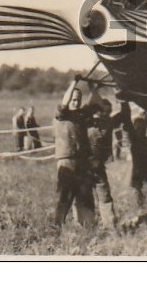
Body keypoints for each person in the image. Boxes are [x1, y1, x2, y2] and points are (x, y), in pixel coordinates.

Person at [53, 82, 96, 227]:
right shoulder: (61, 114)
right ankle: (57, 225)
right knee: (65, 195)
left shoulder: (81, 116)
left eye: (78, 100)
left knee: (85, 194)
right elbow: (65, 102)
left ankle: (87, 226)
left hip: (82, 161)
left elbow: (93, 102)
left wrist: (94, 89)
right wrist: (73, 83)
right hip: (67, 160)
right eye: (73, 99)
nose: (76, 102)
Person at [87, 99, 119, 228]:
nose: (108, 114)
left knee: (104, 195)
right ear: (98, 111)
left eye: (109, 112)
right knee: (85, 197)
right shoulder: (87, 122)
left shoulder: (109, 123)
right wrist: (92, 89)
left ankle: (110, 225)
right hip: (84, 166)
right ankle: (87, 225)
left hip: (98, 166)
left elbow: (123, 115)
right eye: (105, 112)